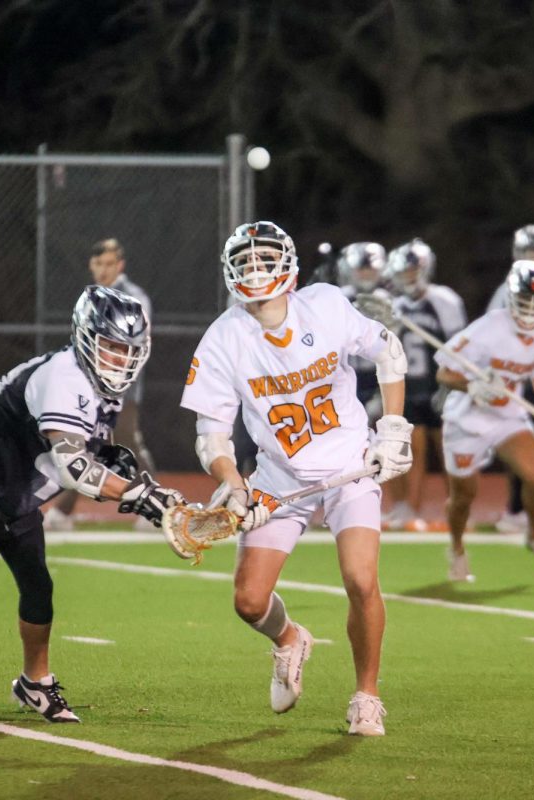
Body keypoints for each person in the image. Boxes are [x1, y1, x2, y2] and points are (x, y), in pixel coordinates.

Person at [0, 285, 184, 733]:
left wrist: (134, 484)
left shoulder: (103, 388)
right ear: (86, 337)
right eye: (112, 347)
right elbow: (74, 467)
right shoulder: (65, 375)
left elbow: (85, 456)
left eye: (128, 350)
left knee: (38, 587)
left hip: (15, 481)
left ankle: (34, 682)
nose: (120, 359)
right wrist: (138, 494)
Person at [180, 221, 412, 737]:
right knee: (249, 602)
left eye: (265, 259)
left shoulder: (325, 304)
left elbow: (388, 351)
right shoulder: (224, 338)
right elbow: (211, 437)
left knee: (360, 577)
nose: (255, 270)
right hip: (280, 476)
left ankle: (367, 695)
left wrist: (393, 426)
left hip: (349, 464)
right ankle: (289, 640)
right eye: (246, 261)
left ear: (289, 266)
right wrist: (235, 486)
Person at [439, 260, 534, 582]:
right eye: (525, 301)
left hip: (507, 415)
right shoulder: (487, 328)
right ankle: (457, 549)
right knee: (463, 497)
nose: (531, 309)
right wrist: (473, 384)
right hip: (468, 418)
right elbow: (444, 372)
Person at [44, 238, 155, 531]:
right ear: (91, 266)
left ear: (120, 265)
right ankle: (63, 512)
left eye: (109, 264)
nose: (103, 269)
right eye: (98, 264)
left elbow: (134, 345)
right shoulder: (91, 297)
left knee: (126, 443)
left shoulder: (134, 297)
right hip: (90, 388)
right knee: (87, 447)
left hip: (121, 389)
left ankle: (158, 505)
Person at [382, 239, 466, 530]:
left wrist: (451, 384)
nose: (407, 276)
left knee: (448, 449)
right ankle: (408, 510)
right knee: (411, 447)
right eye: (402, 271)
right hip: (408, 386)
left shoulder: (444, 300)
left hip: (439, 386)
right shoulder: (390, 304)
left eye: (412, 270)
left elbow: (459, 348)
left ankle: (459, 506)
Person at [490, 224, 534, 533]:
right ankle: (517, 508)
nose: (533, 258)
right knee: (522, 447)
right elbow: (489, 332)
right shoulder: (507, 290)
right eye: (528, 252)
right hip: (515, 379)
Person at [336, 242, 390, 420]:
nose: (366, 274)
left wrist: (383, 395)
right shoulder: (335, 299)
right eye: (361, 269)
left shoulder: (391, 301)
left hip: (379, 381)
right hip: (342, 381)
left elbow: (399, 350)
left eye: (370, 269)